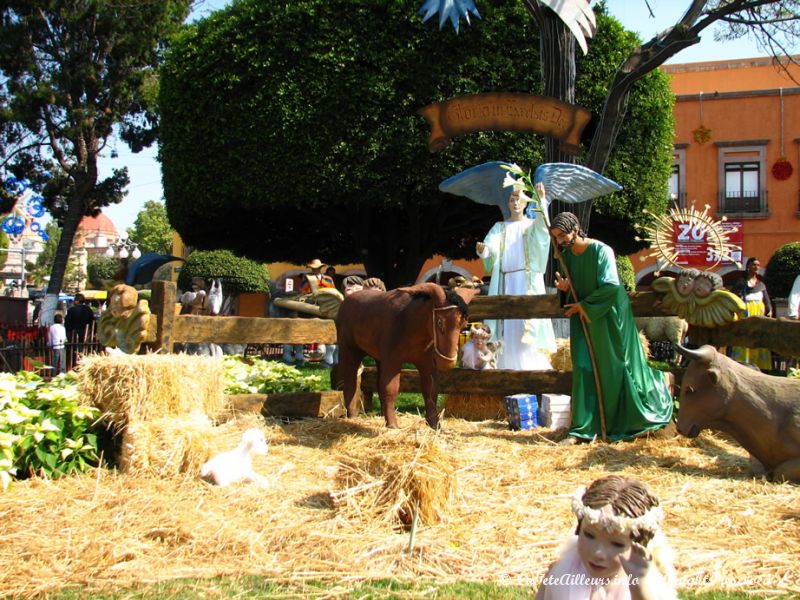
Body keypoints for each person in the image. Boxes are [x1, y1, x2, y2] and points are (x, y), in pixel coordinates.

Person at [550, 212, 673, 443]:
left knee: (615, 366)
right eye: (555, 237)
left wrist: (584, 305)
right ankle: (582, 429)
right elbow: (570, 291)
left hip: (608, 315)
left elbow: (611, 287)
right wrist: (566, 289)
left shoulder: (601, 250)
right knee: (584, 367)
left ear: (575, 229)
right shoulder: (565, 256)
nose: (559, 241)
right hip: (583, 316)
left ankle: (624, 417)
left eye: (562, 235)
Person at [535, 475, 677, 600]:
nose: (598, 553)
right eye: (589, 535)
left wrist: (639, 590)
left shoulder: (650, 588)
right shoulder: (562, 574)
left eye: (617, 544)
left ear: (639, 545)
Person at [476, 182, 555, 370]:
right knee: (506, 324)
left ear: (526, 203)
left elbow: (544, 229)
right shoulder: (500, 227)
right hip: (505, 282)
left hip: (526, 282)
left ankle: (529, 368)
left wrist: (541, 199)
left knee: (525, 325)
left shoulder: (531, 226)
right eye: (512, 199)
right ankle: (505, 366)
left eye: (519, 199)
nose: (515, 203)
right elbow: (491, 245)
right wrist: (484, 250)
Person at [729, 257, 773, 370]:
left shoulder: (761, 284)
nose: (756, 267)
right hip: (745, 313)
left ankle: (759, 364)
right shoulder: (740, 282)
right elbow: (732, 296)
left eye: (758, 265)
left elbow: (766, 300)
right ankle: (742, 362)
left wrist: (769, 310)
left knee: (758, 337)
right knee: (744, 336)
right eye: (754, 265)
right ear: (748, 266)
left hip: (758, 313)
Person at [300, 259, 337, 368]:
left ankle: (329, 358)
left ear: (321, 268)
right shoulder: (307, 279)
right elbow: (302, 292)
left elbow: (333, 291)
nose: (315, 270)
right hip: (311, 307)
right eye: (313, 268)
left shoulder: (328, 279)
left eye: (317, 268)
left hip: (328, 306)